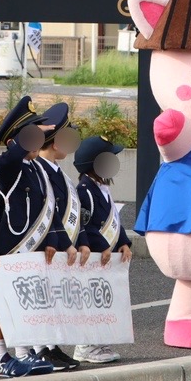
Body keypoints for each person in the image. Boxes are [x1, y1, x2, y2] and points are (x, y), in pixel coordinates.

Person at [0, 96, 56, 378]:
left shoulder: (34, 167)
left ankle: (23, 352)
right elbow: (10, 159)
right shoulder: (6, 165)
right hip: (8, 243)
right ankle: (1, 356)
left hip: (32, 244)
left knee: (25, 300)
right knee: (5, 302)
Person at [29, 103, 85, 372]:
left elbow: (68, 212)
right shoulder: (39, 169)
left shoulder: (56, 170)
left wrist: (78, 241)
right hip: (43, 246)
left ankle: (51, 346)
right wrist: (57, 241)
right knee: (41, 298)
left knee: (54, 299)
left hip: (59, 246)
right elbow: (45, 213)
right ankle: (40, 349)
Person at [73, 135, 132, 364]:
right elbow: (85, 224)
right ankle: (85, 345)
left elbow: (113, 219)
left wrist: (123, 242)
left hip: (106, 256)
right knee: (89, 299)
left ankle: (98, 341)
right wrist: (101, 246)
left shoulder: (101, 188)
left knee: (101, 299)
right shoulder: (85, 190)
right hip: (94, 256)